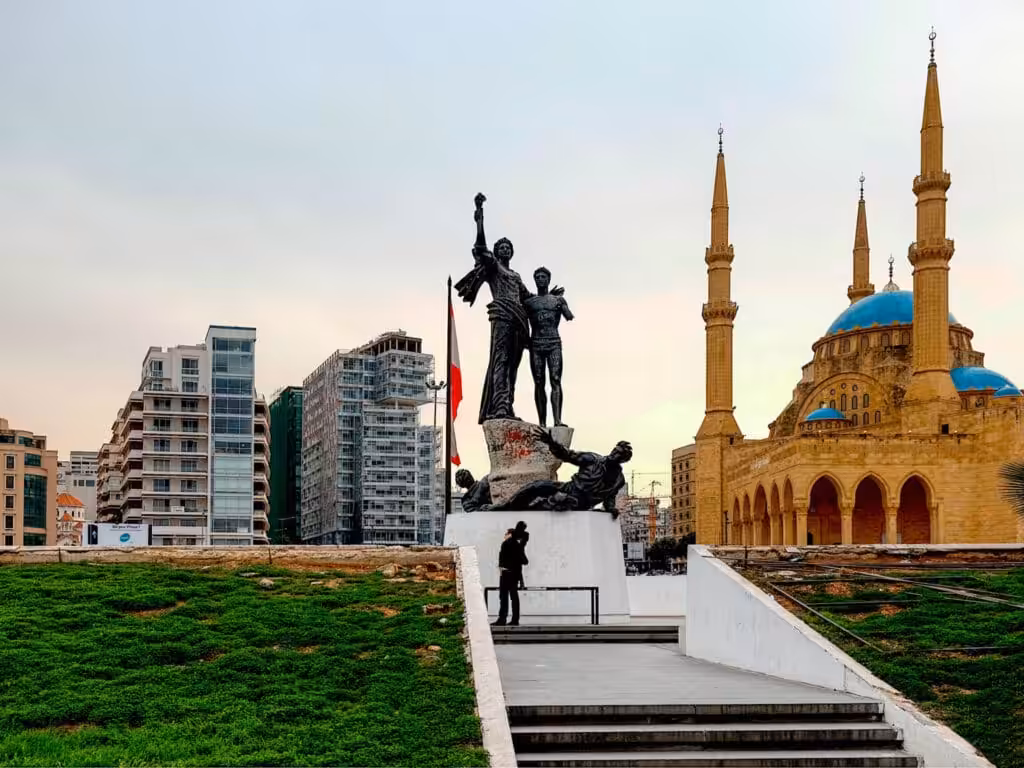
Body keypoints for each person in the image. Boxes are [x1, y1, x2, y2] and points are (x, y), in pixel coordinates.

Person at [493, 528, 524, 626]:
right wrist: (520, 578)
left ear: (510, 534)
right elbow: (519, 563)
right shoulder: (518, 545)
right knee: (514, 597)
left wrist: (501, 571)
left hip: (506, 574)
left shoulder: (506, 544)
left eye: (506, 533)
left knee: (503, 597)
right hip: (514, 575)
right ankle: (515, 619)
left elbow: (502, 561)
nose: (504, 535)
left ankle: (502, 619)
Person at [513, 520, 530, 589]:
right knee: (517, 569)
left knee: (518, 569)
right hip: (515, 554)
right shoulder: (513, 533)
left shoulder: (525, 534)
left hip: (519, 553)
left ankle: (519, 583)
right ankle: (520, 583)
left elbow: (523, 543)